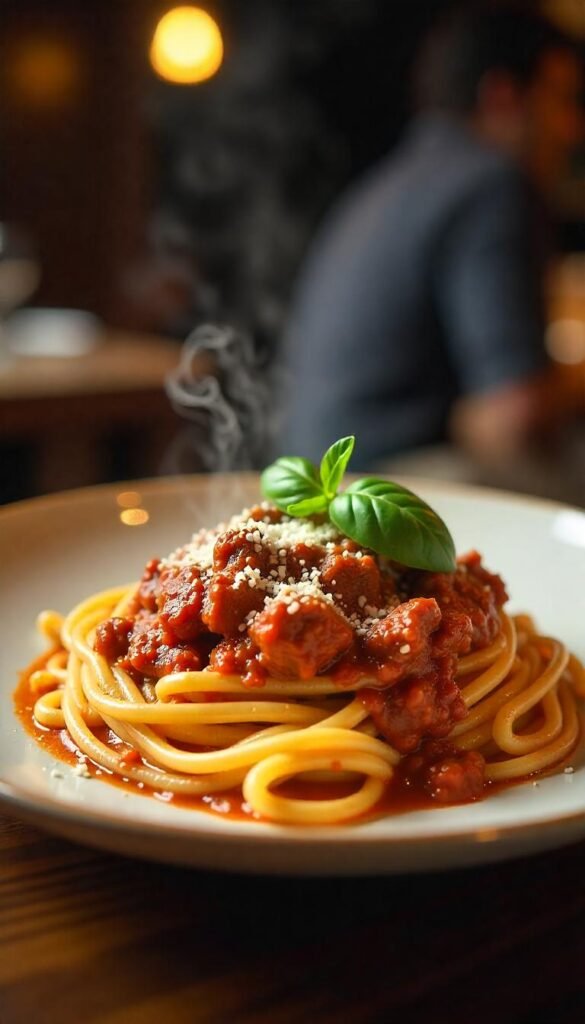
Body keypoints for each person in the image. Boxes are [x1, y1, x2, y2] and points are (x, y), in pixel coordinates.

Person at [278, 5, 583, 475]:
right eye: (562, 99)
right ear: (502, 96)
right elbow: (511, 416)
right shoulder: (490, 182)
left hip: (314, 474)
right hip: (394, 477)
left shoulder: (391, 181)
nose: (572, 128)